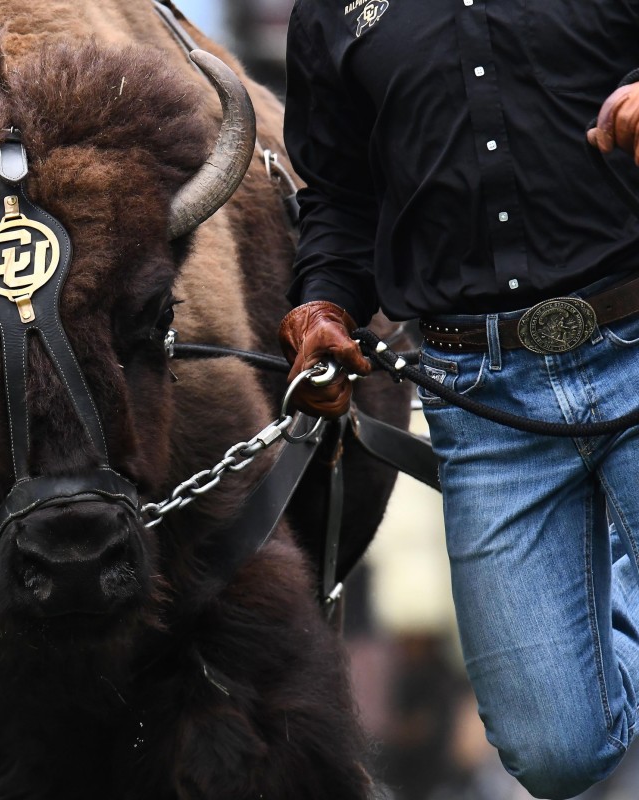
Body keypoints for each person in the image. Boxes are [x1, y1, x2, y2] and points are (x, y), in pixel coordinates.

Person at [277, 3, 639, 799]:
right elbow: (339, 199)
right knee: (555, 755)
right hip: (480, 395)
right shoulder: (329, 13)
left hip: (634, 336)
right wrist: (325, 307)